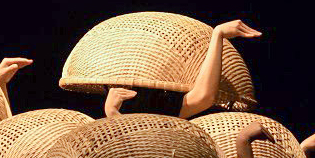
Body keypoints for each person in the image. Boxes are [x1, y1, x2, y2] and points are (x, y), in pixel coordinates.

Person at [102, 19, 260, 120]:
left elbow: (202, 97)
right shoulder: (117, 89)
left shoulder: (151, 93)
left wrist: (217, 35)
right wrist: (112, 113)